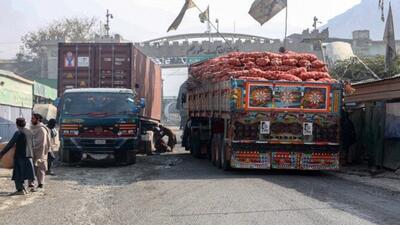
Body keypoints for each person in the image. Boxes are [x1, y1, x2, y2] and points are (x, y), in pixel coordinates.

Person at [0, 118, 35, 195]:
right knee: (25, 173)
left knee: (18, 174)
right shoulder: (30, 132)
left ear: (17, 124)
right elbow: (32, 145)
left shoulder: (18, 133)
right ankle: (23, 189)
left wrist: (2, 153)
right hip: (29, 156)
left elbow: (10, 144)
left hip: (20, 156)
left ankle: (20, 190)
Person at [30, 113, 50, 191]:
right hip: (32, 151)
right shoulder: (32, 127)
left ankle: (40, 184)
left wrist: (32, 145)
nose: (31, 120)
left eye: (33, 119)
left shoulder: (42, 129)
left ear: (38, 120)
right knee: (31, 167)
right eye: (31, 118)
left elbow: (42, 142)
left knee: (40, 168)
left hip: (40, 152)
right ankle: (31, 184)